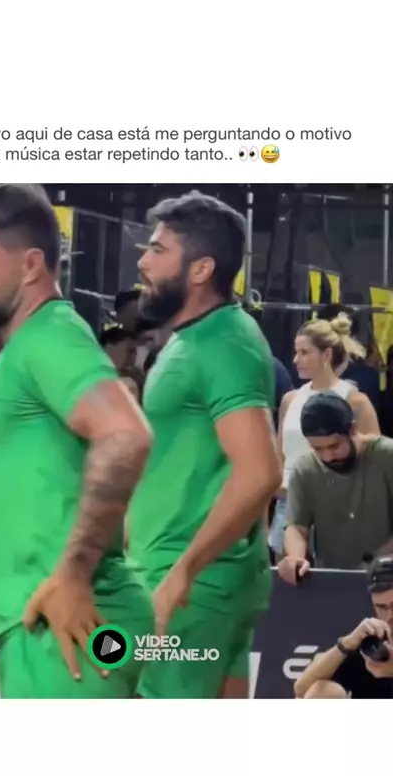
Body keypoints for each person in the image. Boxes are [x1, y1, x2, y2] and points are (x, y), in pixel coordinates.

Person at [0, 183, 153, 700]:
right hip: (50, 626)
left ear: (30, 266)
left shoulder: (50, 336)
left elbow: (126, 434)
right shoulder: (24, 352)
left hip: (73, 630)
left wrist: (74, 575)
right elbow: (29, 545)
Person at [127, 190, 281, 699]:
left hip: (188, 585)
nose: (143, 261)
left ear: (201, 269)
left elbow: (261, 472)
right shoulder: (196, 336)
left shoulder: (224, 342)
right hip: (196, 579)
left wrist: (182, 573)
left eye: (157, 249)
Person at [269, 314, 380, 560]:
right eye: (296, 352)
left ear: (326, 354)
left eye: (304, 352)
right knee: (288, 573)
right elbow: (279, 454)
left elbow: (373, 460)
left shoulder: (355, 400)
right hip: (289, 502)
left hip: (338, 504)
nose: (296, 360)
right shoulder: (290, 400)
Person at [278, 392, 393, 578]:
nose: (327, 457)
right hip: (334, 582)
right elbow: (297, 527)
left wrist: (376, 564)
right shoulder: (305, 470)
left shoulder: (387, 456)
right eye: (317, 449)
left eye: (334, 446)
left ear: (353, 429)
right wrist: (296, 557)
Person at [294, 555, 393, 698]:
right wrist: (348, 643)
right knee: (322, 691)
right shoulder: (371, 644)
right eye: (381, 607)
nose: (389, 616)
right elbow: (300, 688)